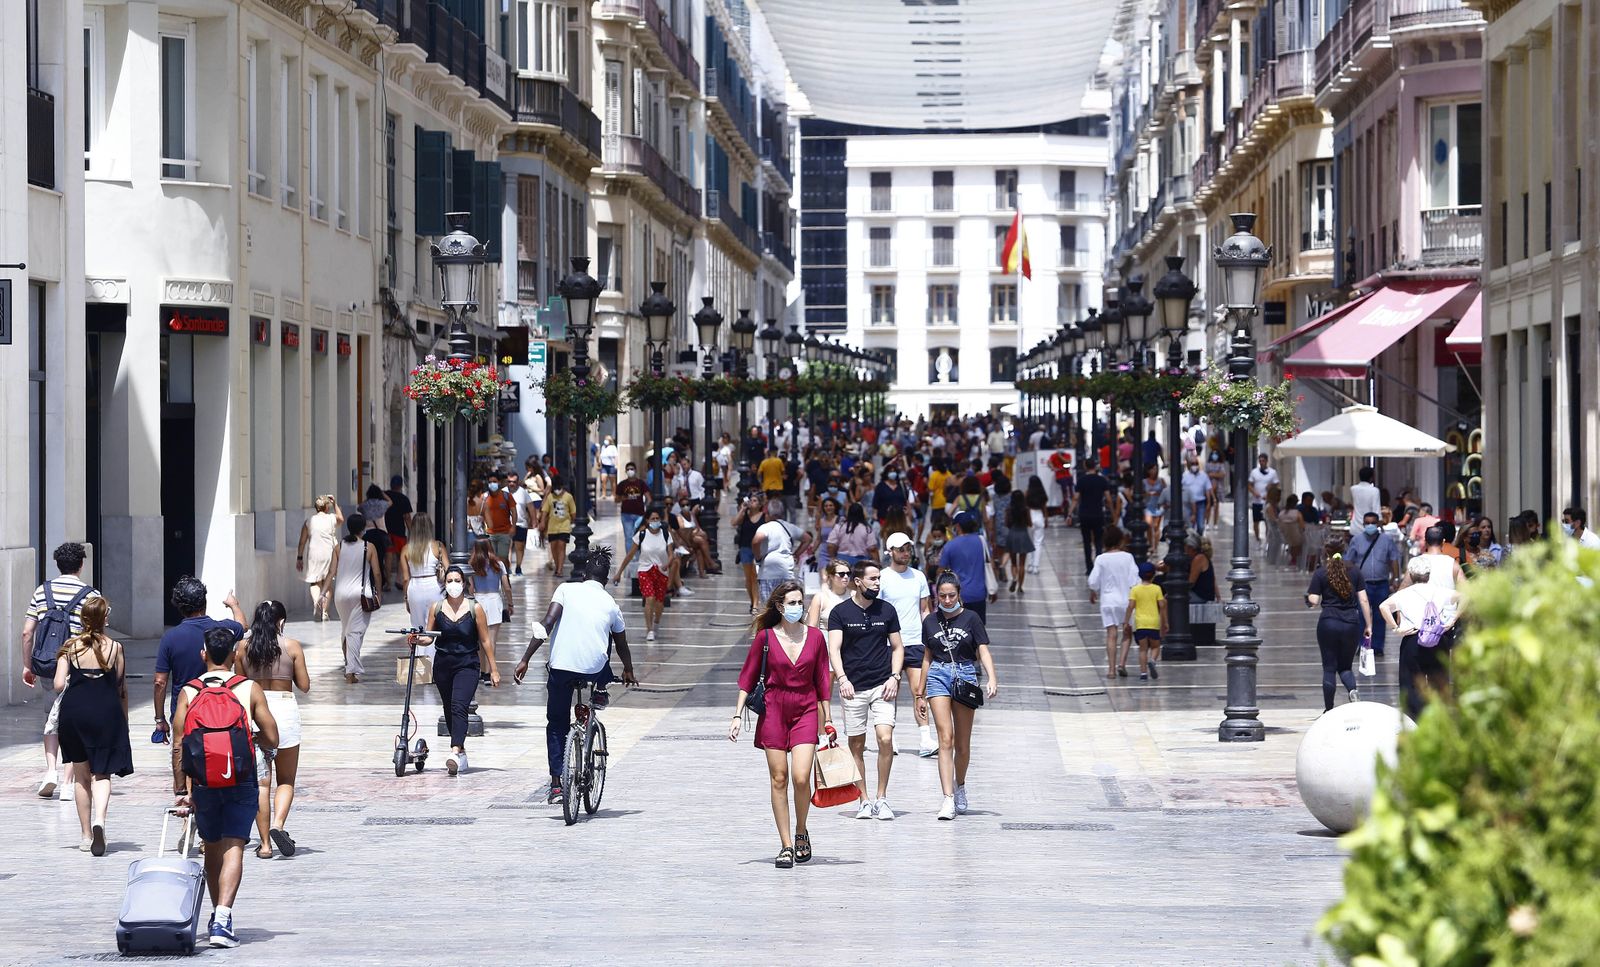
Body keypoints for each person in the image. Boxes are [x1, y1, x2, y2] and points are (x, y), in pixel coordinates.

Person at [171, 627, 279, 949]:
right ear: (234, 655)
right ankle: (222, 918)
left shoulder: (189, 691)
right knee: (235, 846)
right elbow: (273, 737)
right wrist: (250, 738)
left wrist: (181, 790)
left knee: (212, 846)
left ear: (203, 654)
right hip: (241, 777)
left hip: (204, 781)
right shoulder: (248, 688)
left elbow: (178, 744)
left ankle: (216, 915)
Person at [516, 548, 638, 805]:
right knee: (607, 640)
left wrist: (525, 659)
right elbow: (621, 644)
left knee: (556, 724)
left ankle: (556, 786)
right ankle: (600, 690)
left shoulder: (565, 590)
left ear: (583, 575)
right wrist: (628, 670)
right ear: (605, 580)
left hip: (561, 668)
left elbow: (547, 624)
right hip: (594, 669)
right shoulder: (611, 605)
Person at [729, 581, 833, 868]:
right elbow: (748, 677)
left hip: (805, 708)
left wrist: (828, 719)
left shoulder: (815, 637)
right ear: (779, 606)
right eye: (792, 603)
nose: (797, 607)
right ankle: (786, 845)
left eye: (800, 602)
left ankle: (801, 830)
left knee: (801, 777)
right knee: (779, 778)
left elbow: (822, 680)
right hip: (774, 709)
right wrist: (737, 715)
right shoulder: (765, 638)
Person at [20, 541, 102, 799]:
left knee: (51, 715)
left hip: (48, 664)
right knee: (72, 720)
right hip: (78, 666)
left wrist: (27, 665)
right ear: (81, 565)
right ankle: (68, 783)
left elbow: (27, 632)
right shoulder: (90, 595)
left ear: (57, 564)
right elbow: (97, 635)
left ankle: (50, 772)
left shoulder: (42, 591)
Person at [915, 571, 998, 821]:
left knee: (962, 744)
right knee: (945, 738)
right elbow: (927, 656)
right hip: (938, 675)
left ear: (959, 594)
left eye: (951, 595)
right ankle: (947, 798)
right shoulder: (931, 621)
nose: (947, 600)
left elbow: (983, 650)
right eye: (942, 596)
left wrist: (992, 677)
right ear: (936, 596)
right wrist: (920, 692)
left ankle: (960, 784)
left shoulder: (971, 618)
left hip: (964, 674)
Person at [826, 560, 905, 821]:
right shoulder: (840, 612)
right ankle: (864, 800)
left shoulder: (887, 610)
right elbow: (834, 649)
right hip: (853, 687)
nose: (877, 583)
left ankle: (882, 798)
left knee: (885, 738)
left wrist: (895, 677)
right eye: (872, 579)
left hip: (883, 685)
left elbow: (898, 647)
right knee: (856, 745)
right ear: (858, 581)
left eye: (879, 578)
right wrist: (842, 679)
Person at [52, 596, 131, 855]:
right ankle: (100, 820)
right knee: (102, 774)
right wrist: (125, 722)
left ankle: (86, 835)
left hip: (74, 713)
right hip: (106, 714)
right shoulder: (116, 648)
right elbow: (120, 688)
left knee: (81, 776)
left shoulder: (70, 647)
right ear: (104, 619)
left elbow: (58, 684)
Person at [234, 601, 309, 858]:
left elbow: (240, 684)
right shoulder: (292, 646)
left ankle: (265, 845)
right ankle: (278, 824)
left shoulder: (243, 647)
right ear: (281, 621)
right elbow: (304, 685)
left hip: (257, 712)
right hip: (285, 712)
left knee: (261, 784)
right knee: (286, 779)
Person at [412, 566, 496, 776]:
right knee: (449, 708)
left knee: (459, 705)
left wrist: (493, 669)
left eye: (457, 580)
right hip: (443, 665)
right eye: (449, 581)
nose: (453, 585)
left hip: (468, 664)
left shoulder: (475, 608)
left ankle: (455, 750)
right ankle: (462, 752)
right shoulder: (437, 607)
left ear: (464, 583)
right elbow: (429, 637)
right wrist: (417, 639)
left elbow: (485, 640)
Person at [154, 576, 246, 746]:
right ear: (204, 601)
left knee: (181, 758)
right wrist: (233, 605)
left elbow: (160, 682)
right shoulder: (222, 630)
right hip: (218, 714)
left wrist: (160, 719)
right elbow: (242, 626)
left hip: (184, 714)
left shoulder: (170, 638)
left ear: (179, 607)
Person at [1380, 556, 1462, 718]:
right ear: (1429, 575)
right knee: (1439, 681)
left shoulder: (1404, 594)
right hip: (1438, 638)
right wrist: (1453, 619)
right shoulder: (1440, 591)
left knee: (1410, 684)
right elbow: (1464, 597)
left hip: (1413, 639)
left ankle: (1416, 719)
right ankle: (1439, 717)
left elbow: (1383, 606)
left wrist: (1396, 628)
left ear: (1411, 575)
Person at [879, 532, 934, 757]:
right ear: (890, 551)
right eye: (901, 549)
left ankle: (926, 738)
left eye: (908, 549)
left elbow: (925, 609)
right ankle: (889, 738)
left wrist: (930, 636)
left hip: (915, 641)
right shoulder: (882, 577)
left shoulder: (918, 576)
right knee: (889, 692)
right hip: (889, 643)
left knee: (919, 691)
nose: (905, 553)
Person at [1305, 540, 1373, 712]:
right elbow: (1364, 600)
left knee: (1329, 668)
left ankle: (1329, 709)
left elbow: (1314, 600)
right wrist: (1369, 625)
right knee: (1345, 667)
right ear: (1344, 551)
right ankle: (1353, 691)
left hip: (1328, 623)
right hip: (1351, 623)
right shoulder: (1355, 571)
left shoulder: (1321, 572)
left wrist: (1308, 598)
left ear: (1325, 552)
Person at [329, 513, 382, 684]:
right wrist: (379, 593)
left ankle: (348, 665)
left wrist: (323, 593)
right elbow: (377, 573)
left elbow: (331, 572)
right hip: (361, 594)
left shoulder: (339, 547)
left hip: (340, 595)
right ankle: (351, 670)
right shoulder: (369, 547)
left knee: (346, 630)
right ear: (363, 528)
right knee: (355, 632)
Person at [1346, 512, 1402, 657]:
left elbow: (1394, 559)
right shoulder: (1356, 540)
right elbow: (1349, 561)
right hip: (1362, 585)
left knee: (1380, 616)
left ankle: (1377, 646)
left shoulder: (1386, 540)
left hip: (1381, 583)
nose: (1370, 525)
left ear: (1378, 524)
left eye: (1373, 522)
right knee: (1361, 616)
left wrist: (1396, 578)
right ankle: (1362, 645)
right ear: (1363, 524)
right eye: (1367, 522)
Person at [612, 506, 672, 642]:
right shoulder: (641, 535)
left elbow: (671, 554)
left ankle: (656, 622)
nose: (655, 521)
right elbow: (630, 555)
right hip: (645, 570)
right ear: (647, 520)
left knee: (659, 602)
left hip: (661, 572)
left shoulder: (666, 534)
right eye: (652, 519)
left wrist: (667, 563)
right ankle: (649, 629)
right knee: (649, 598)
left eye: (657, 518)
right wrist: (619, 573)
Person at [1088, 526, 1140, 678]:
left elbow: (1093, 580)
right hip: (1126, 599)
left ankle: (1111, 670)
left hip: (1108, 600)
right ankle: (1122, 664)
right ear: (1120, 540)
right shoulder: (1128, 557)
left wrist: (1093, 591)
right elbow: (1134, 579)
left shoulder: (1101, 559)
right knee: (1127, 632)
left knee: (1111, 634)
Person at [469, 539, 513, 676]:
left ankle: (483, 671)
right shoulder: (498, 564)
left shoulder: (472, 565)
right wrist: (510, 604)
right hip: (494, 600)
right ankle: (490, 672)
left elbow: (470, 589)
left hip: (478, 600)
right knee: (492, 640)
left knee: (480, 640)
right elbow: (507, 587)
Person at [402, 512, 447, 640]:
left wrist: (406, 598)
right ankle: (434, 651)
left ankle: (420, 651)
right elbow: (448, 569)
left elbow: (405, 578)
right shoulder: (438, 546)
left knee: (417, 627)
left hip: (415, 587)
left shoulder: (406, 549)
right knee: (435, 626)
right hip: (435, 587)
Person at [753, 501, 810, 603]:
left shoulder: (765, 527)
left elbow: (756, 541)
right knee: (786, 603)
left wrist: (758, 557)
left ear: (768, 514)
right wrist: (796, 554)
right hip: (786, 570)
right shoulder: (789, 526)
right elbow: (807, 539)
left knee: (768, 605)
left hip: (768, 571)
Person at [295, 495, 342, 619]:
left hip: (314, 554)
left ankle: (317, 602)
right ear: (327, 507)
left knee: (315, 582)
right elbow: (341, 519)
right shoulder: (331, 518)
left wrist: (299, 558)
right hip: (329, 553)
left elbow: (302, 542)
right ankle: (325, 612)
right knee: (328, 582)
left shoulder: (309, 521)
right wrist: (335, 504)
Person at [938, 512, 991, 620]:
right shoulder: (981, 542)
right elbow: (991, 565)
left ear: (957, 526)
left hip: (957, 596)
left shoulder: (950, 545)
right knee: (977, 627)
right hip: (979, 594)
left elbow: (940, 571)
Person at [1123, 561, 1167, 681]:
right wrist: (1165, 622)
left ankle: (1143, 674)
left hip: (1140, 623)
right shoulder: (1157, 589)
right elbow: (1162, 606)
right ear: (1153, 575)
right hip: (1154, 622)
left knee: (1143, 649)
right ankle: (1152, 660)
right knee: (1155, 646)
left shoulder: (1135, 590)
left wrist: (1126, 622)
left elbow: (1130, 606)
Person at [1073, 458, 1117, 571]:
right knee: (1098, 541)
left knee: (1086, 542)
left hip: (1084, 514)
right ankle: (1098, 566)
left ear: (1085, 466)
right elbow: (1108, 499)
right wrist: (1113, 514)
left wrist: (1069, 513)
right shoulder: (1102, 480)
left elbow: (1076, 498)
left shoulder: (1081, 480)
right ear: (1095, 466)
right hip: (1098, 513)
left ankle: (1089, 567)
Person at [732, 493, 768, 614]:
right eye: (751, 500)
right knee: (748, 578)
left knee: (755, 576)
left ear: (760, 504)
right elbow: (734, 522)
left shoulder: (764, 516)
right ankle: (753, 601)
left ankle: (756, 604)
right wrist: (742, 509)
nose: (752, 502)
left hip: (759, 549)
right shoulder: (745, 515)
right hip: (745, 548)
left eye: (755, 501)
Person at [357, 484, 394, 591]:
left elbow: (359, 507)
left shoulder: (365, 505)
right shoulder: (382, 504)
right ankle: (383, 582)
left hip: (368, 535)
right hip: (381, 535)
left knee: (369, 559)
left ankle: (371, 581)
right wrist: (383, 494)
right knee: (381, 558)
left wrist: (367, 499)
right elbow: (391, 502)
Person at [1185, 535, 1218, 647]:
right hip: (1202, 593)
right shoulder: (1201, 557)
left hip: (1201, 595)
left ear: (1191, 548)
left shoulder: (1199, 558)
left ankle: (1167, 631)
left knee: (1171, 600)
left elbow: (1191, 582)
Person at [542, 476, 578, 576]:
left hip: (564, 527)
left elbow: (573, 512)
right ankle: (557, 566)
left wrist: (574, 522)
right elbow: (545, 511)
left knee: (561, 547)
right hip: (552, 527)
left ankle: (560, 570)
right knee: (553, 548)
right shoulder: (550, 497)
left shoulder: (568, 497)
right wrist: (542, 522)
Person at [384, 475, 414, 591]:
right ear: (401, 486)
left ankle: (388, 583)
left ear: (391, 484)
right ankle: (399, 579)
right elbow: (407, 517)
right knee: (401, 556)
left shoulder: (385, 496)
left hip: (386, 531)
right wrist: (411, 531)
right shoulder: (404, 499)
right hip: (399, 532)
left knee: (388, 557)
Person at [1002, 486, 1035, 593]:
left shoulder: (1008, 509)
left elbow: (1007, 523)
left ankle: (1014, 577)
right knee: (1022, 564)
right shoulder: (1026, 509)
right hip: (1023, 535)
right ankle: (1020, 587)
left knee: (1013, 563)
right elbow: (1030, 524)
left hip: (1012, 535)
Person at [480, 471, 516, 563]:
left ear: (499, 482)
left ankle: (505, 572)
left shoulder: (507, 496)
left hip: (504, 532)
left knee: (503, 558)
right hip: (489, 533)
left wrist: (513, 527)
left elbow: (514, 512)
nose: (492, 484)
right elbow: (480, 513)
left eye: (494, 481)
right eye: (490, 482)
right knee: (491, 559)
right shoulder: (484, 497)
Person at [615, 462, 649, 558]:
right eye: (628, 469)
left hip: (639, 514)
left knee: (639, 535)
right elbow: (616, 500)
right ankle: (630, 557)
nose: (630, 471)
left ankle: (639, 555)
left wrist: (647, 508)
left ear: (635, 470)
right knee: (628, 537)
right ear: (625, 471)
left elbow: (648, 497)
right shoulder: (622, 484)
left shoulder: (641, 483)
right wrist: (623, 498)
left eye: (632, 469)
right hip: (626, 515)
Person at [805, 560, 852, 630]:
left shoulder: (855, 595)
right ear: (831, 576)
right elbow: (812, 627)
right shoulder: (820, 597)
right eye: (841, 574)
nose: (846, 577)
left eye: (848, 574)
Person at [829, 502, 877, 567]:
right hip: (861, 562)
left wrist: (833, 557)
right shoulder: (867, 528)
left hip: (842, 560)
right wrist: (877, 563)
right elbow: (872, 548)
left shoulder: (839, 527)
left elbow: (830, 545)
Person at [507, 470, 533, 576]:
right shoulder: (503, 492)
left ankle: (518, 567)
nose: (511, 484)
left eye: (514, 482)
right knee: (507, 547)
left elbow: (530, 507)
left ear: (517, 482)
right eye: (509, 481)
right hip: (506, 525)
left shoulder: (523, 493)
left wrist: (534, 521)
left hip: (521, 524)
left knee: (519, 547)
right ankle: (507, 567)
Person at [1248, 453, 1280, 542]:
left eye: (1263, 461)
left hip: (1268, 503)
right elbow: (1249, 485)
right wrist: (1254, 492)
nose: (1261, 462)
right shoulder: (1254, 472)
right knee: (1256, 521)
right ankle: (1257, 539)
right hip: (1257, 501)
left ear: (1266, 461)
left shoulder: (1272, 472)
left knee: (1268, 521)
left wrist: (1270, 492)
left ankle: (1267, 539)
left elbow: (1277, 485)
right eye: (1260, 461)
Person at [1181, 455, 1212, 538]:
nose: (1194, 465)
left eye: (1196, 463)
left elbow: (1207, 489)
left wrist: (1209, 502)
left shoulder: (1204, 476)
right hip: (1188, 504)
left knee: (1201, 526)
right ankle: (1191, 542)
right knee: (1189, 526)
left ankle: (1198, 540)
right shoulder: (1185, 476)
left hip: (1200, 503)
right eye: (1192, 464)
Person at [1024, 476, 1049, 575]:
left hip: (1029, 516)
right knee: (1038, 543)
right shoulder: (1042, 494)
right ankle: (1036, 566)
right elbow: (1044, 507)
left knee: (1029, 542)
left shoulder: (1027, 493)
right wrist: (1046, 519)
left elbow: (1025, 507)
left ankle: (1030, 565)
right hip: (1039, 516)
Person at [1143, 462, 1169, 551]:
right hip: (1148, 506)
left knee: (1156, 527)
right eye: (1153, 469)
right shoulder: (1144, 482)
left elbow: (1166, 491)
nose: (1155, 471)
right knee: (1148, 525)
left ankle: (1155, 546)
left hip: (1158, 506)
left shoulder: (1161, 481)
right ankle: (1151, 544)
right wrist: (1147, 494)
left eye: (1156, 469)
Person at [1278, 496, 1306, 568]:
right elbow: (1303, 527)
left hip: (1285, 537)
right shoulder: (1297, 514)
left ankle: (1293, 557)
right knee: (1307, 540)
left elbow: (1279, 525)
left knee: (1293, 541)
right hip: (1296, 537)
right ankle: (1300, 560)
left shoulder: (1281, 513)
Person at [597, 435, 619, 499]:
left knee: (612, 481)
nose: (606, 441)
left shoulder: (613, 447)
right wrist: (599, 463)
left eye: (607, 439)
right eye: (605, 439)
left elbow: (616, 456)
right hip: (604, 466)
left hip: (611, 465)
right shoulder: (603, 447)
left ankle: (613, 494)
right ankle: (604, 494)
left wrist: (616, 464)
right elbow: (601, 455)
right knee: (603, 480)